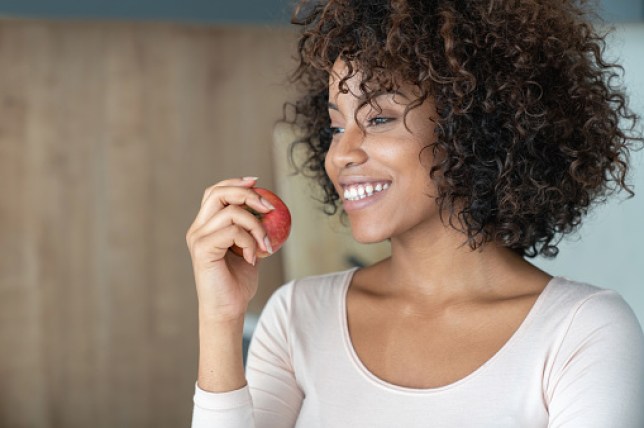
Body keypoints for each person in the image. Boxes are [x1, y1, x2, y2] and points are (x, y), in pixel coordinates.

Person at [187, 0, 644, 426]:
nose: (340, 155)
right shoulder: (297, 315)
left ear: (472, 123)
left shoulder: (580, 330)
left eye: (378, 119)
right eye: (335, 126)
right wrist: (219, 317)